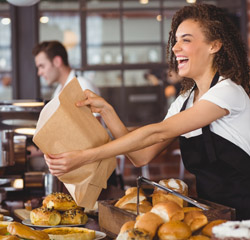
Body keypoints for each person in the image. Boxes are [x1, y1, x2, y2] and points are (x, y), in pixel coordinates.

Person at [44, 4, 250, 220]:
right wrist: (108, 111)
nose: (175, 47)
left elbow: (157, 133)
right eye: (176, 40)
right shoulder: (184, 101)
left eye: (186, 40)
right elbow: (140, 156)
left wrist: (84, 157)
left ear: (214, 45)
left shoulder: (228, 92)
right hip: (215, 217)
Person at [32, 40, 100, 98]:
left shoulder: (82, 86)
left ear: (57, 61)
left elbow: (93, 113)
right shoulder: (58, 91)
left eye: (42, 66)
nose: (39, 72)